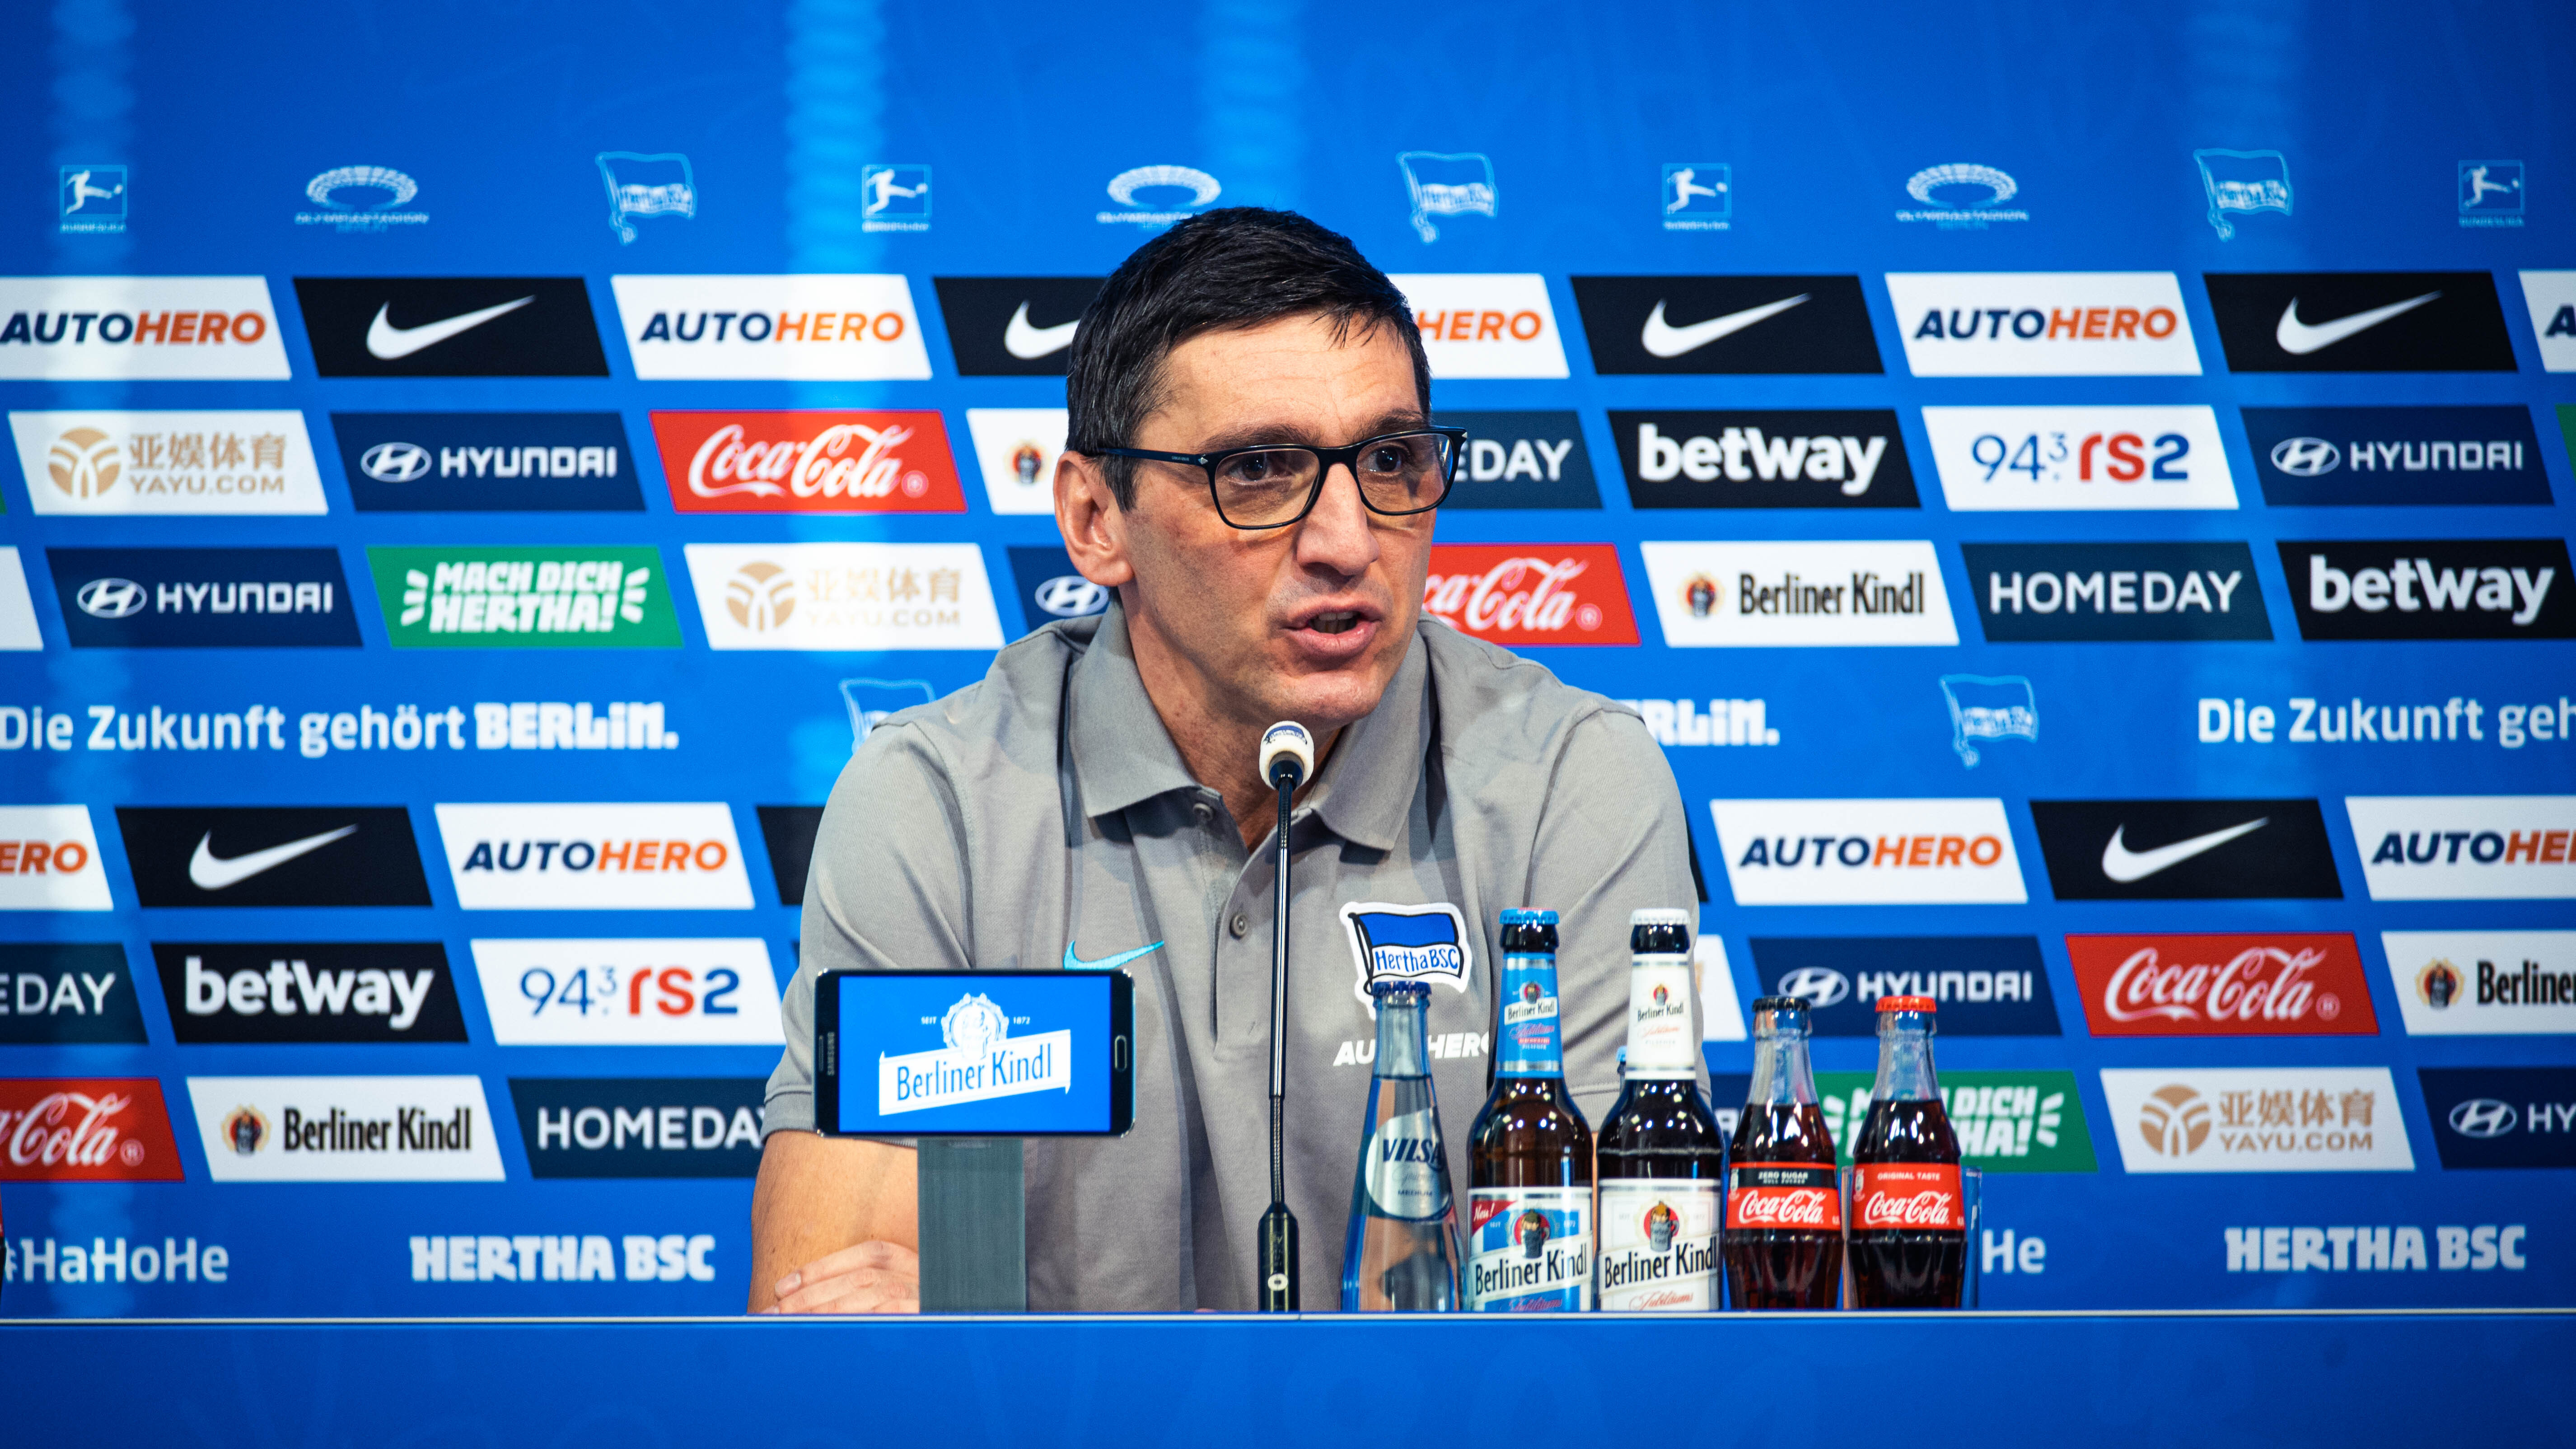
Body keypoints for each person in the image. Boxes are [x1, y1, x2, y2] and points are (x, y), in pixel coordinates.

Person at [751, 207, 1699, 1313]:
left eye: (1391, 459)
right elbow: (837, 1315)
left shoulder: (1568, 784)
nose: (1348, 539)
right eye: (1257, 469)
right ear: (1097, 517)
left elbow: (1607, 1318)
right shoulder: (942, 806)